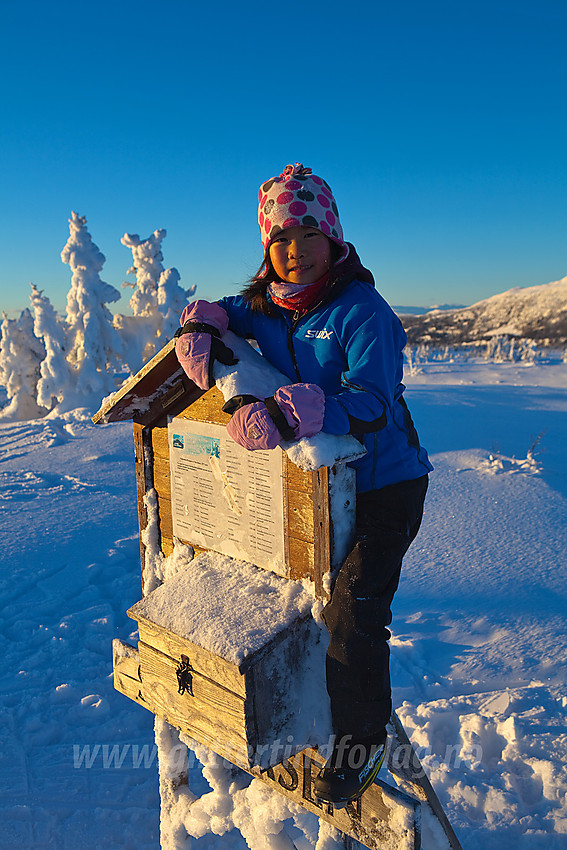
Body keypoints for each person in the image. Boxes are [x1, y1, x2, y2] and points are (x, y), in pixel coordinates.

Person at [174, 163, 432, 804]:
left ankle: (362, 745)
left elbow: (373, 399)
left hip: (383, 485)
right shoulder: (265, 306)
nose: (295, 251)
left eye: (307, 235)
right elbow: (224, 310)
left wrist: (299, 411)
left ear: (334, 239)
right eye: (280, 239)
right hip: (313, 491)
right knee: (292, 601)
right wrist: (199, 324)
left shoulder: (361, 311)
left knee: (352, 612)